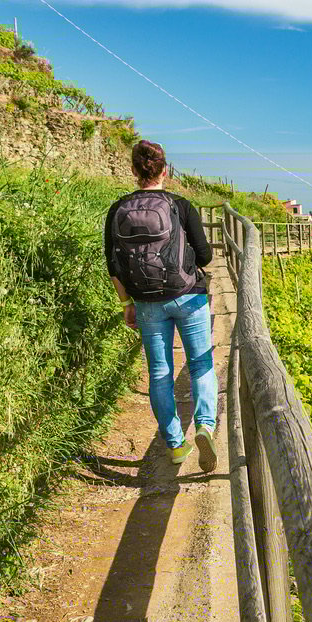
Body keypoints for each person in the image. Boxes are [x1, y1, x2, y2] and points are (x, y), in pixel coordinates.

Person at [104, 140, 217, 471]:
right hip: (189, 295)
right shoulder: (180, 205)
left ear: (134, 171)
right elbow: (206, 255)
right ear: (164, 170)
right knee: (201, 364)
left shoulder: (117, 209)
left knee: (159, 372)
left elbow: (112, 264)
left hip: (147, 301)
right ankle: (206, 426)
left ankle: (175, 444)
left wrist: (126, 304)